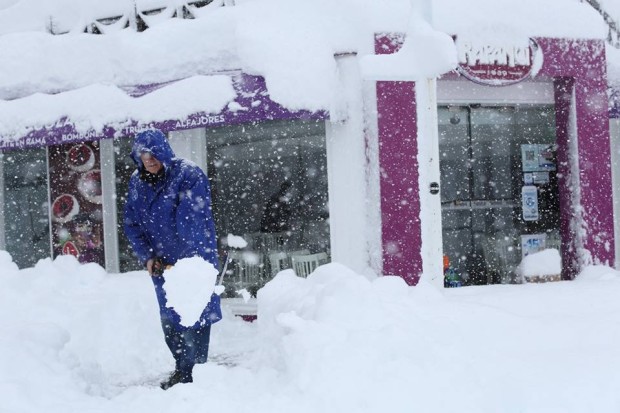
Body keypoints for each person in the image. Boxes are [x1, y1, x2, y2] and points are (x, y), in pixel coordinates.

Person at [123, 129, 220, 390]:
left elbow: (191, 219)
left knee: (194, 319)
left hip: (192, 261)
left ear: (164, 152)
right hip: (161, 265)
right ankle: (182, 369)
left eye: (154, 154)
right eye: (144, 155)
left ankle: (194, 376)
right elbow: (131, 223)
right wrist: (148, 256)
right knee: (170, 322)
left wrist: (187, 264)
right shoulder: (137, 181)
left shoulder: (188, 174)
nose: (150, 160)